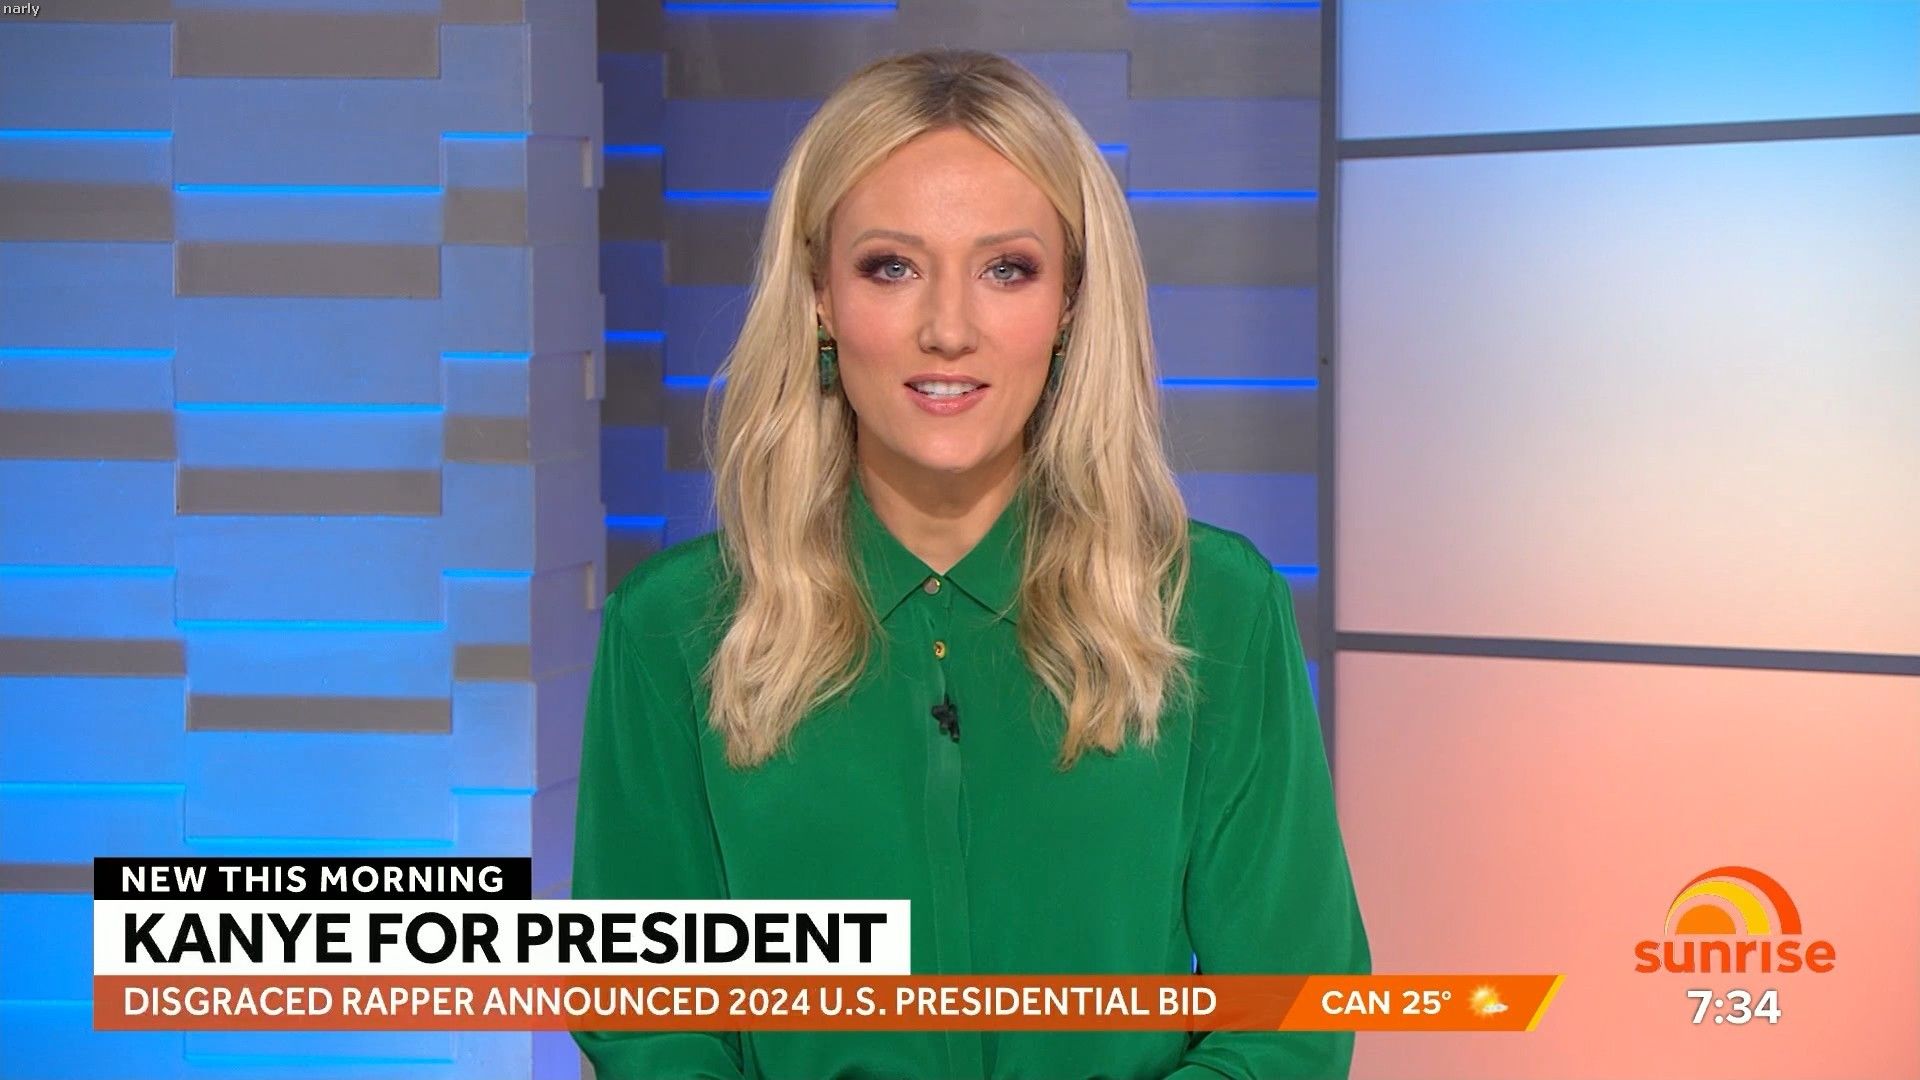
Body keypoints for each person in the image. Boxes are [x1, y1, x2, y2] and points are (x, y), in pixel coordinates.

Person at [571, 47, 1370, 1080]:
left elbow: (1288, 1018)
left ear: (1071, 302)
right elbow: (647, 1020)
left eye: (1007, 270)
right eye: (890, 267)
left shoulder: (1214, 608)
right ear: (818, 296)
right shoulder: (673, 626)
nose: (948, 330)